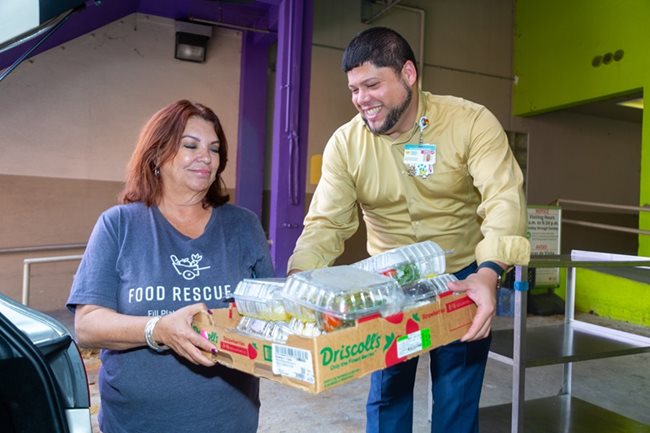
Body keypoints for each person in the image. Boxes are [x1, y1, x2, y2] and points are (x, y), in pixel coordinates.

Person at [287, 27, 530, 433]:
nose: (361, 99)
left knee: (457, 394)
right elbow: (327, 222)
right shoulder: (346, 145)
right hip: (388, 283)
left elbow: (503, 199)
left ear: (409, 75)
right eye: (353, 89)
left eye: (371, 84)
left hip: (462, 276)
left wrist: (489, 274)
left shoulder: (470, 123)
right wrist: (297, 281)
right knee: (388, 391)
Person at [67, 100, 274, 433]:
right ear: (156, 155)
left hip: (230, 420)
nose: (205, 157)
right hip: (137, 423)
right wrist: (157, 329)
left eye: (214, 149)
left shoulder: (243, 226)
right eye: (190, 145)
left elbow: (272, 312)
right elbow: (88, 326)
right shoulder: (118, 225)